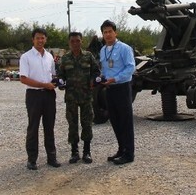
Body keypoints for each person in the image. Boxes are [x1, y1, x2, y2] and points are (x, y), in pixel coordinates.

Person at [19, 28, 61, 170]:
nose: (40, 40)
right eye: (37, 38)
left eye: (43, 38)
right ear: (33, 39)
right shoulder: (26, 57)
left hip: (49, 95)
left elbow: (53, 75)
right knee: (33, 127)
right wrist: (44, 85)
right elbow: (23, 79)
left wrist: (57, 82)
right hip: (34, 95)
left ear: (46, 39)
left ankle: (51, 157)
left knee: (49, 127)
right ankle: (32, 159)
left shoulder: (49, 56)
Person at [58, 32, 100, 164]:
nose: (75, 43)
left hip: (86, 96)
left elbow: (96, 72)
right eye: (72, 41)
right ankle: (74, 152)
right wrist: (60, 82)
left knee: (87, 123)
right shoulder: (65, 59)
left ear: (81, 41)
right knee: (72, 124)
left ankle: (87, 152)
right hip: (71, 97)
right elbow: (60, 75)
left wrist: (94, 80)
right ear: (69, 43)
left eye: (77, 41)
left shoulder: (88, 56)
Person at [99, 20, 136, 165]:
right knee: (114, 120)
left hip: (122, 87)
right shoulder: (103, 50)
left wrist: (116, 78)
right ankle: (121, 149)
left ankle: (129, 153)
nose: (107, 34)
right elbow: (104, 69)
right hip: (109, 89)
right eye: (105, 32)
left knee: (125, 121)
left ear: (115, 32)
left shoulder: (124, 48)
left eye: (110, 31)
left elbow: (130, 68)